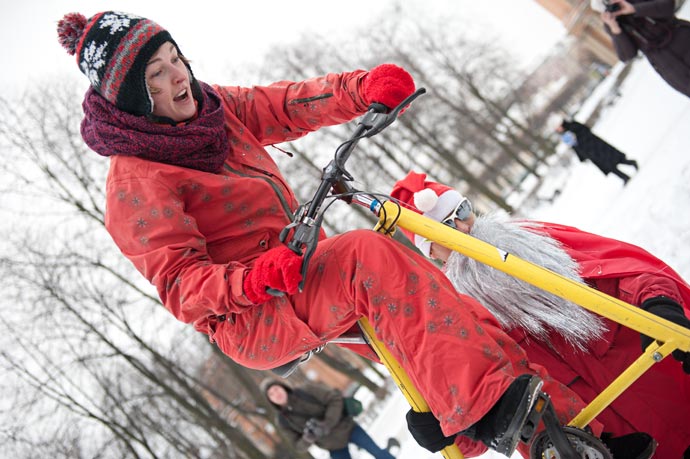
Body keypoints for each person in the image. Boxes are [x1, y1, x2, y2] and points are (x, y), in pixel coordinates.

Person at [57, 11, 650, 458]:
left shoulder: (215, 111)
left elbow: (287, 104)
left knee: (454, 321)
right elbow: (183, 288)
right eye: (157, 77)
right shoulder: (136, 183)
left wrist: (361, 89)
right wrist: (255, 277)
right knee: (368, 257)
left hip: (299, 270)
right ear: (135, 101)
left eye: (176, 60)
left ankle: (572, 440)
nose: (179, 79)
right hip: (250, 314)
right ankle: (490, 415)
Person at [390, 171, 690, 459]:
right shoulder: (457, 319)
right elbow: (487, 413)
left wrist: (660, 303)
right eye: (447, 227)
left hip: (661, 384)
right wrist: (446, 428)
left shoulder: (534, 243)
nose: (464, 227)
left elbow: (621, 272)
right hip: (603, 440)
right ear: (430, 251)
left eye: (462, 211)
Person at [261, 379, 394, 459]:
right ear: (270, 401)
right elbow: (297, 446)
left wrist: (327, 423)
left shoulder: (306, 390)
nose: (276, 394)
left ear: (283, 387)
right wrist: (308, 438)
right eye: (271, 394)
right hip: (333, 446)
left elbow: (334, 399)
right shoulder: (283, 420)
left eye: (276, 389)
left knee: (378, 453)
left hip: (348, 428)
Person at [590, 0, 690, 98]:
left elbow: (668, 6)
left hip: (682, 38)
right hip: (668, 64)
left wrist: (635, 9)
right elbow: (627, 55)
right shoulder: (613, 23)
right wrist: (616, 29)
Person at [557, 118, 638, 185]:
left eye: (558, 127)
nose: (558, 129)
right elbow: (575, 147)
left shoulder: (573, 125)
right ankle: (624, 177)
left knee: (614, 158)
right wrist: (581, 157)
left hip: (596, 146)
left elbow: (586, 130)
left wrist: (578, 138)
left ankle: (631, 162)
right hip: (590, 153)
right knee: (607, 165)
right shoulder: (565, 136)